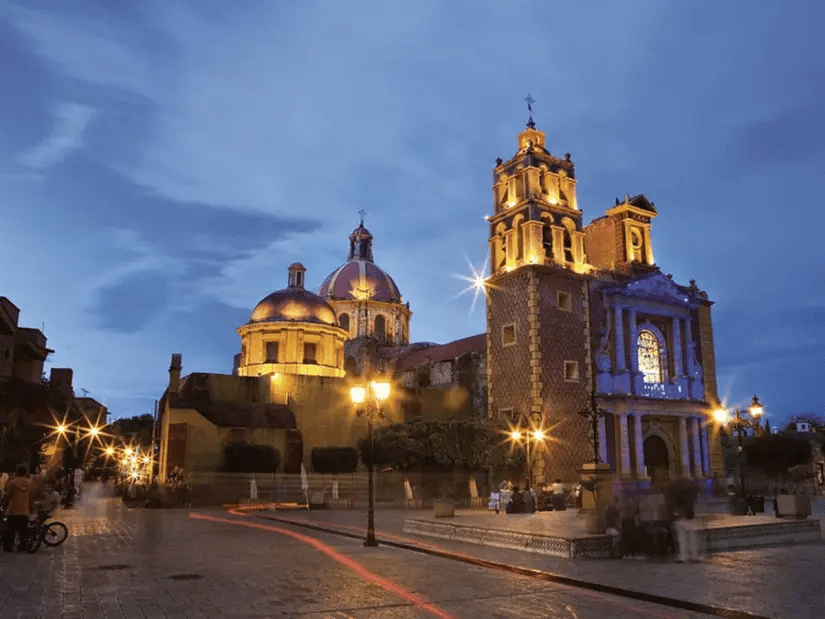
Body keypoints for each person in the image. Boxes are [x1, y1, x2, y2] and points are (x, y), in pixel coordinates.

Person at [2, 465, 32, 553]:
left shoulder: (13, 482)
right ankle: (22, 546)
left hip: (13, 510)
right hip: (25, 510)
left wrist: (3, 504)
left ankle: (8, 547)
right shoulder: (30, 482)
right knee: (23, 530)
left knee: (10, 529)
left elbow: (8, 495)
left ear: (17, 472)